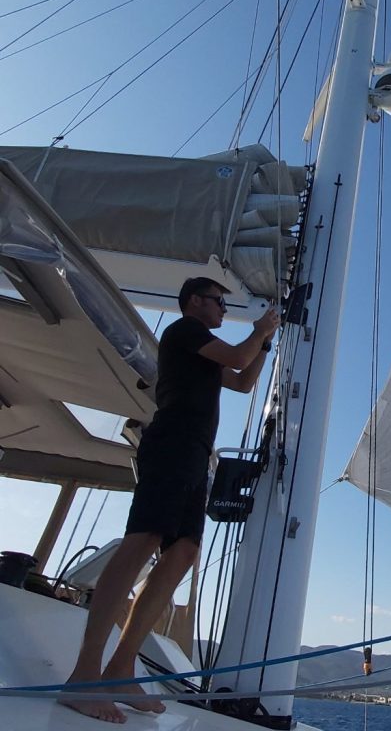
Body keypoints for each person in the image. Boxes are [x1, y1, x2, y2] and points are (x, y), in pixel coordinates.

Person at [59, 277, 280, 724]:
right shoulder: (184, 332)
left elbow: (240, 381)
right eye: (219, 302)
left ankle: (121, 668)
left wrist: (267, 343)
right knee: (143, 539)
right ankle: (83, 675)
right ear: (195, 301)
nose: (222, 310)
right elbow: (238, 355)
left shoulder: (203, 349)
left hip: (197, 455)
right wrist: (258, 331)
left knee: (183, 552)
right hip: (173, 443)